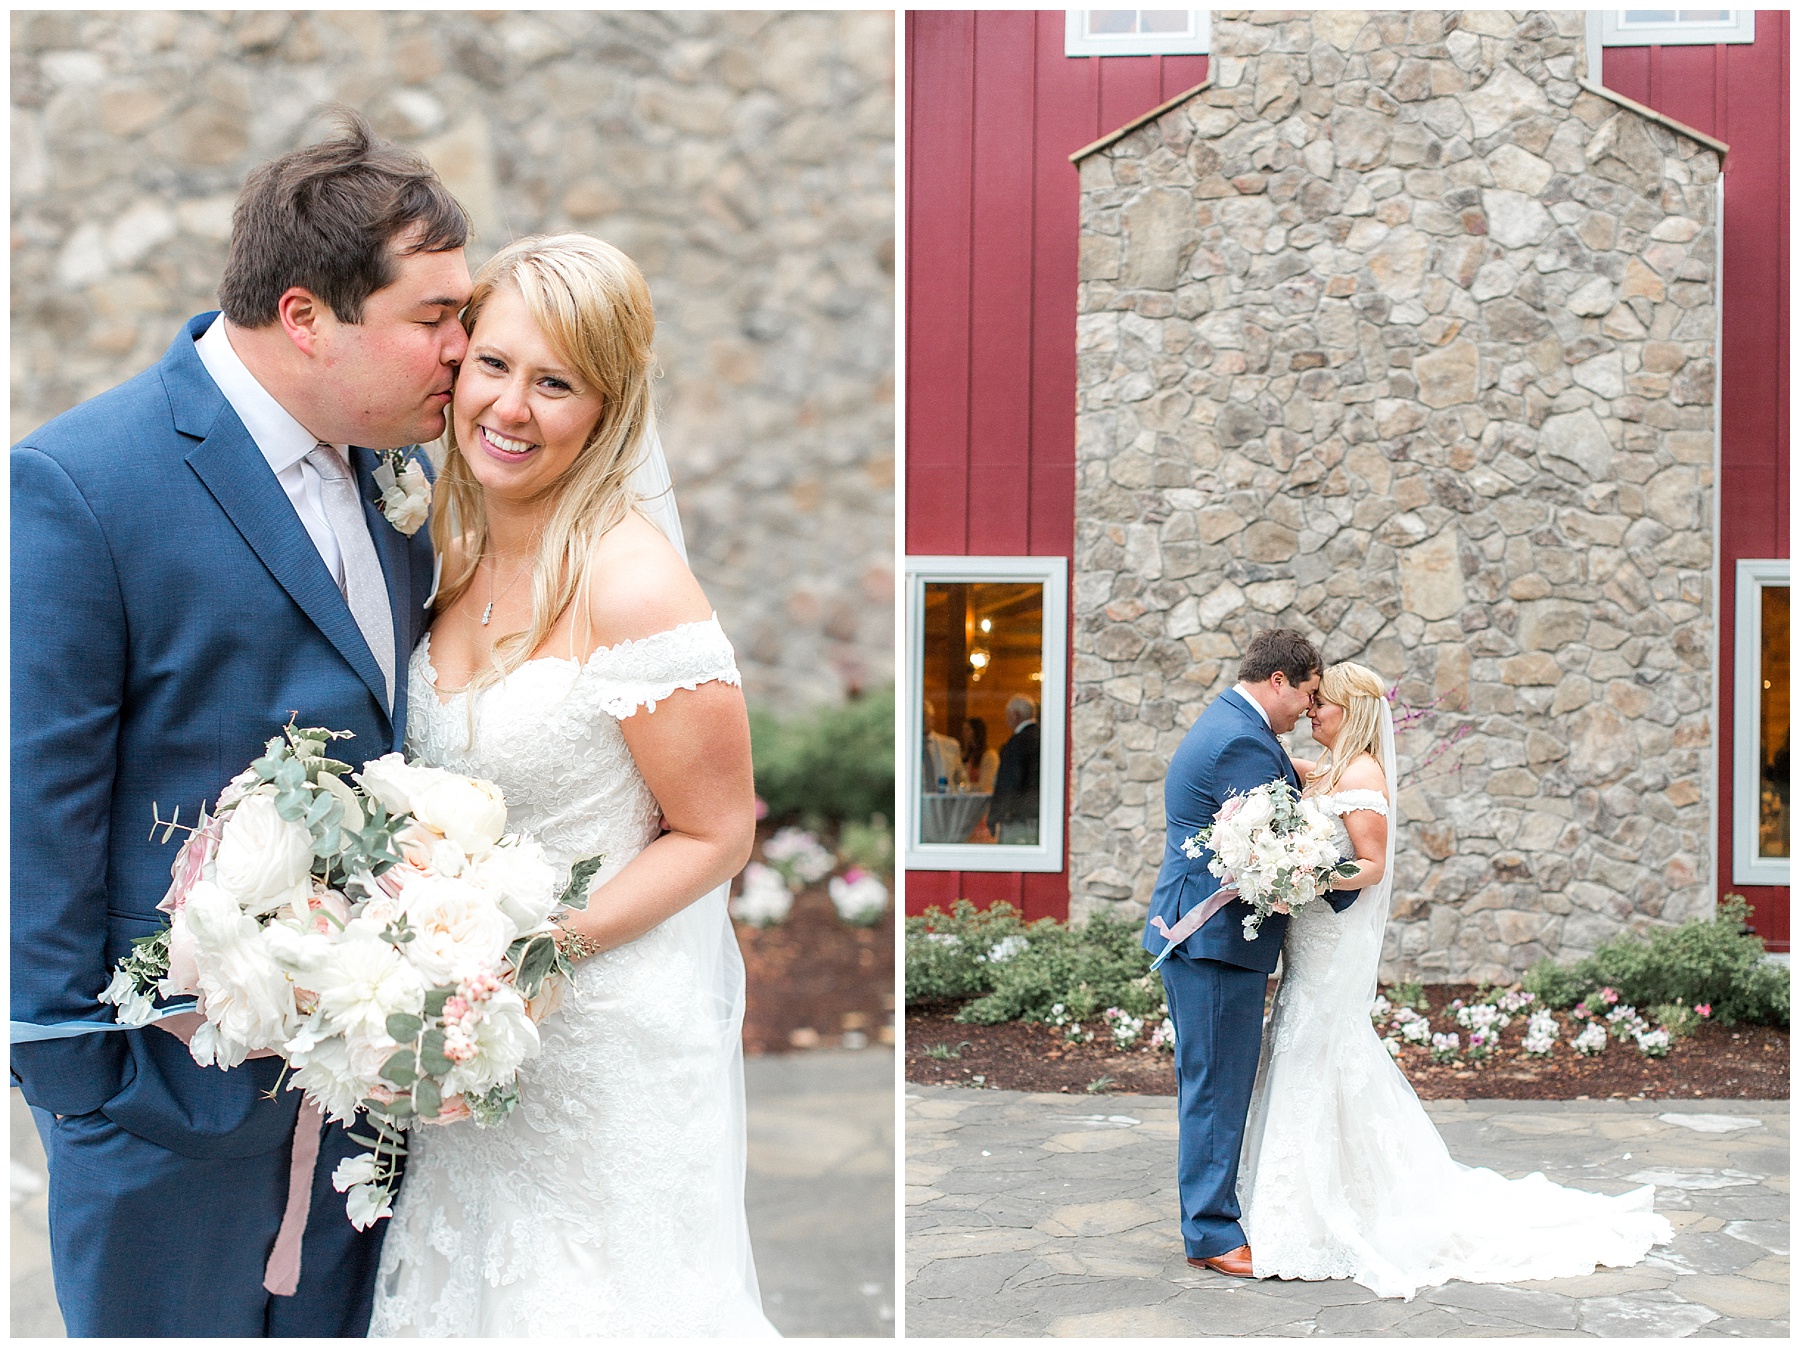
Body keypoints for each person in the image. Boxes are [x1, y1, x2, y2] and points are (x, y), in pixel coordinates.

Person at [11, 114, 469, 1336]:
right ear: (309, 315)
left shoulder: (395, 479)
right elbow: (39, 787)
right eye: (433, 317)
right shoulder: (83, 480)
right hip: (164, 1093)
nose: (463, 351)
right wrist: (76, 1076)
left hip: (368, 1090)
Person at [366, 234, 777, 1336]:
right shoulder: (448, 553)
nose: (511, 406)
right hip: (471, 1042)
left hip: (598, 1047)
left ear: (606, 407)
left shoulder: (632, 581)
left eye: (555, 384)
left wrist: (532, 951)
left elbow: (717, 831)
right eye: (494, 365)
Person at [1236, 661, 1672, 1298]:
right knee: (1303, 1048)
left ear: (1351, 711)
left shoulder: (1361, 774)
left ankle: (1319, 1211)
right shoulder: (1325, 768)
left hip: (1332, 939)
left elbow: (1373, 866)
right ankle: (1296, 1199)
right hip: (1309, 939)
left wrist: (1302, 877)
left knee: (1318, 1048)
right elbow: (1280, 776)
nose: (1311, 712)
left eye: (1321, 704)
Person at [1141, 630, 1357, 1277]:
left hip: (1215, 942)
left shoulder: (1238, 726)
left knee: (1217, 1081)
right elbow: (1278, 841)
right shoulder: (1240, 737)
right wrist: (1355, 892)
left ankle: (1213, 1217)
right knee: (1215, 1086)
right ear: (1279, 682)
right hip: (1212, 943)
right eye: (1308, 695)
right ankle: (1209, 1232)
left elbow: (1279, 802)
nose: (1308, 711)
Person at [989, 695, 1041, 844]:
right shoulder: (1042, 737)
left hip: (1018, 817)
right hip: (1039, 815)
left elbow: (1009, 782)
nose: (1007, 721)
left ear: (1015, 715)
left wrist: (995, 815)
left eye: (1008, 716)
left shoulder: (1017, 743)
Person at [921, 697, 965, 793]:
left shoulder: (950, 745)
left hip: (946, 803)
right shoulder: (905, 747)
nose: (921, 719)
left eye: (924, 715)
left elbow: (961, 778)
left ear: (932, 718)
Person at [961, 716, 999, 794]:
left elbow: (986, 785)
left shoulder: (989, 756)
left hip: (981, 800)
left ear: (976, 731)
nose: (963, 733)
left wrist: (965, 787)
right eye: (963, 730)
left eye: (967, 730)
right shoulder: (967, 756)